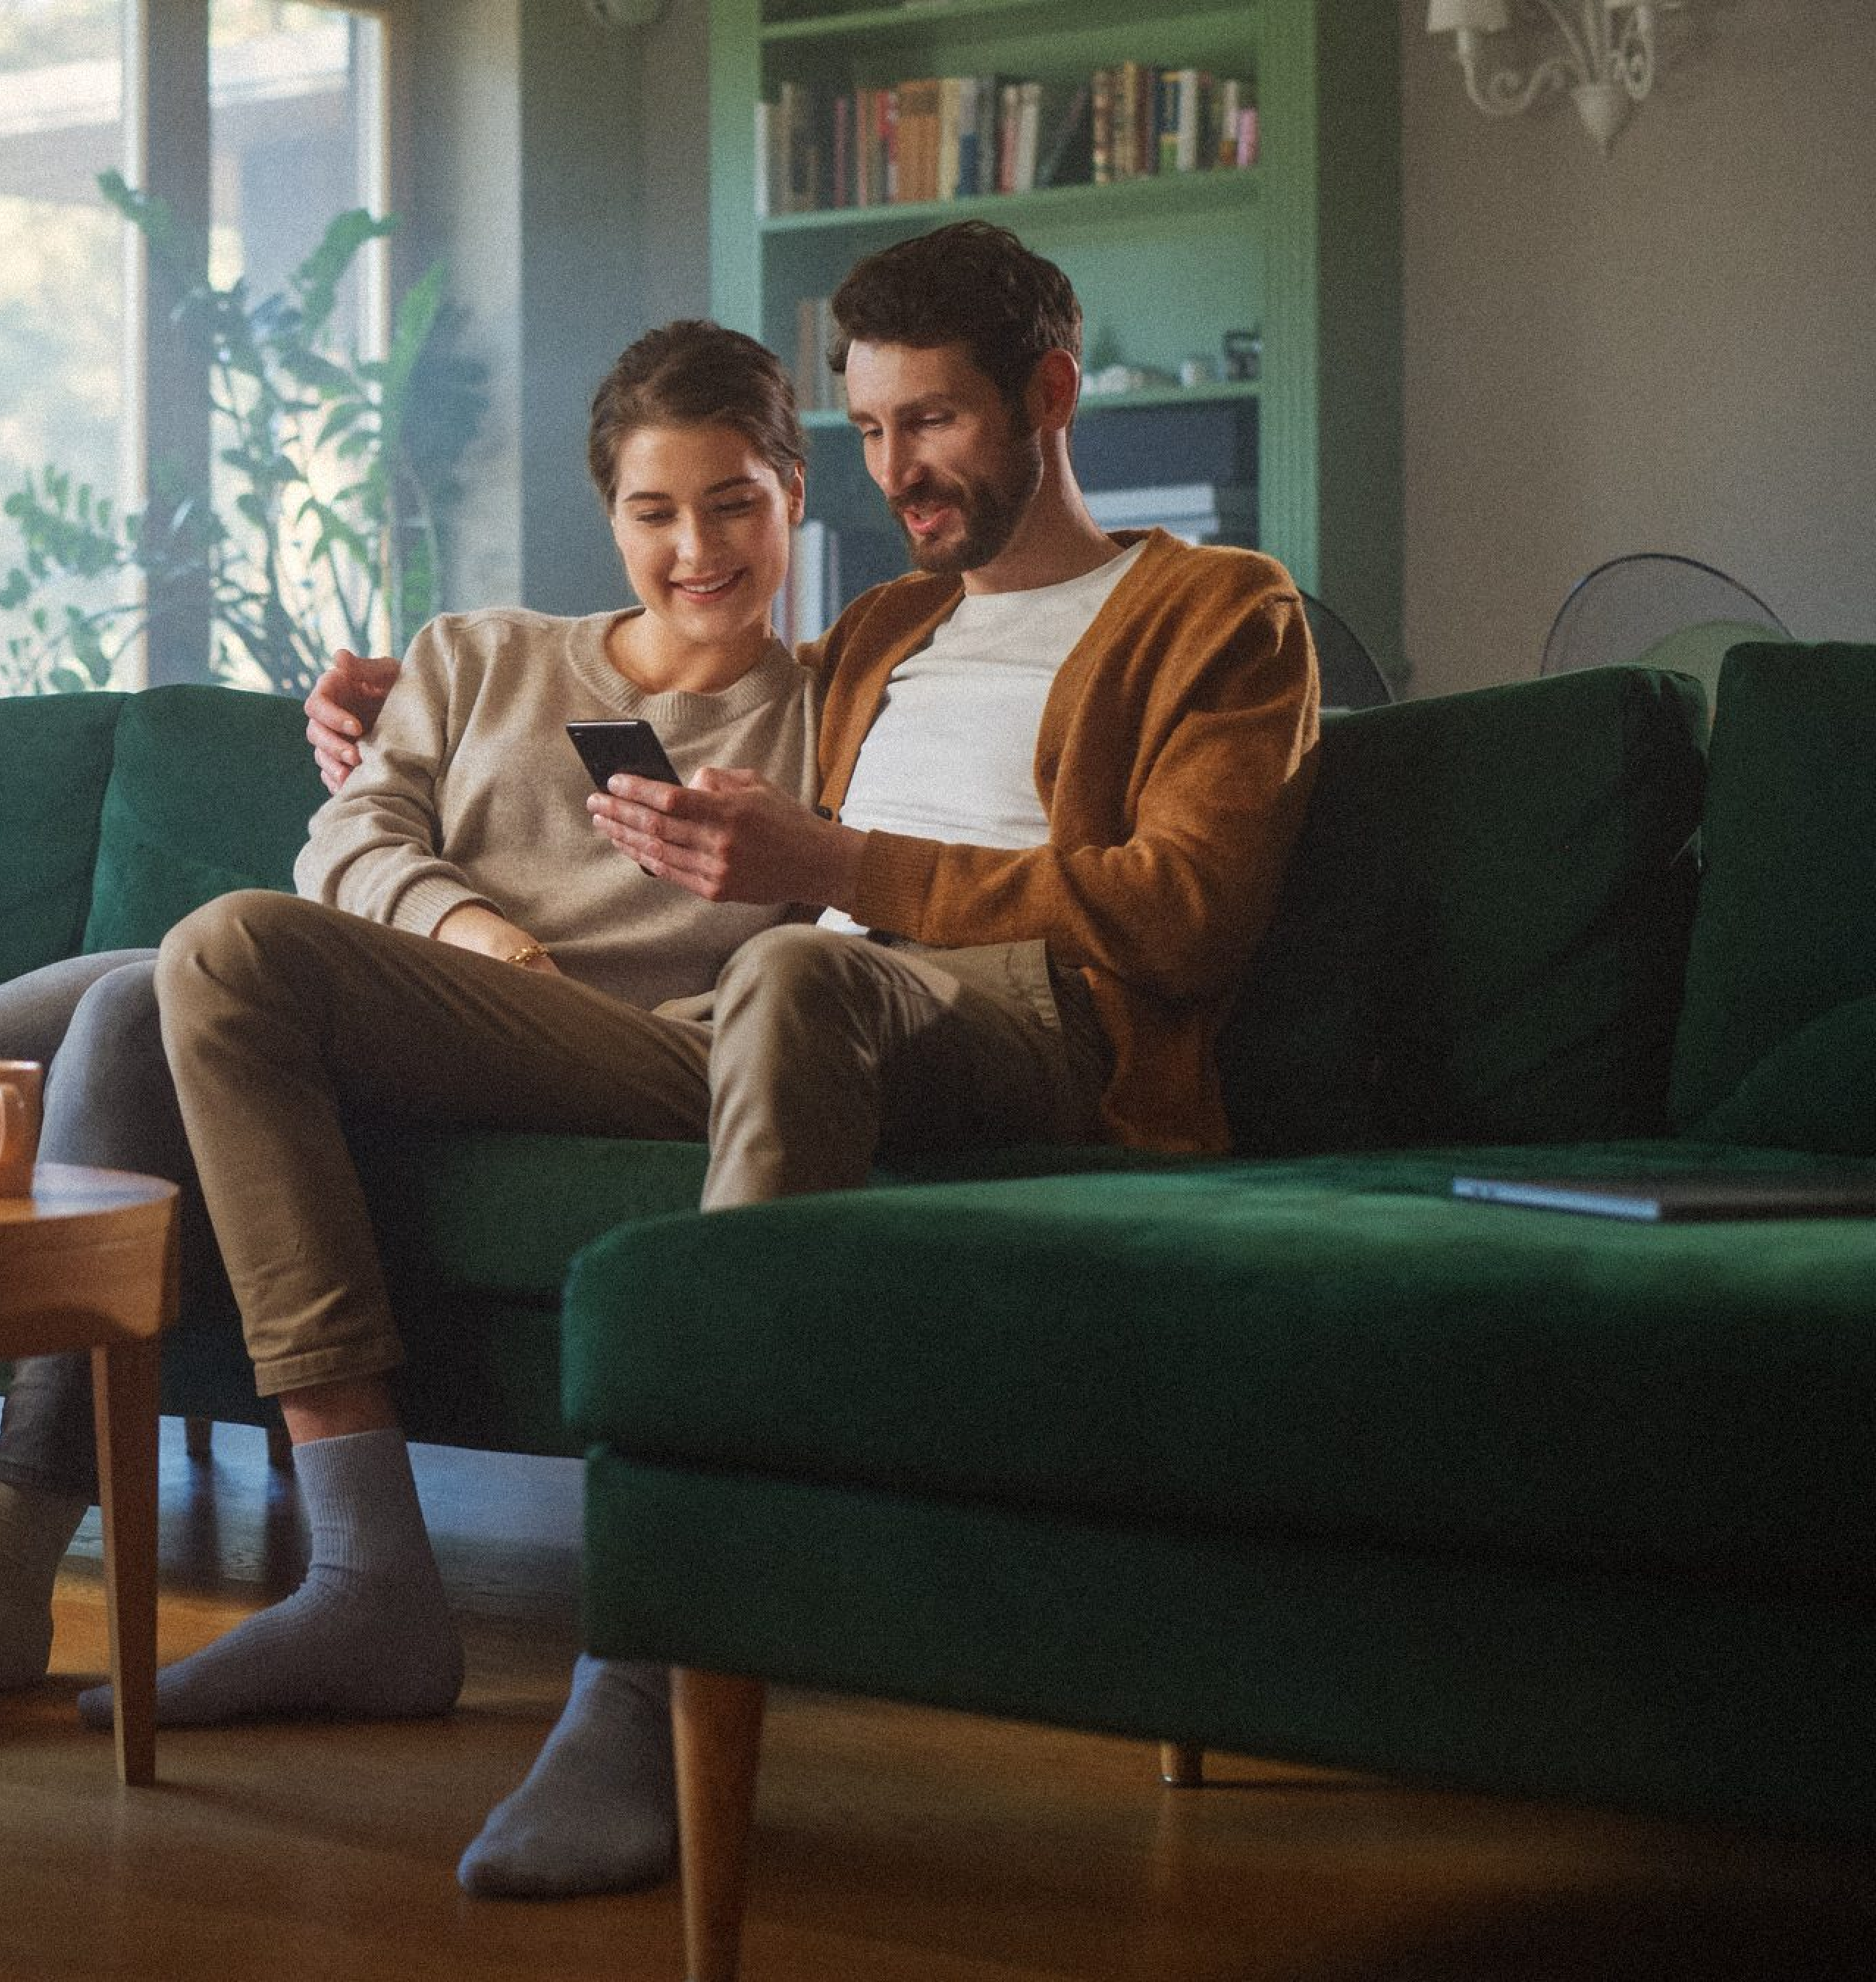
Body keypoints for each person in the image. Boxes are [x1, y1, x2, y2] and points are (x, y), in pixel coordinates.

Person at [149, 218, 1321, 1900]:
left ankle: (647, 1664)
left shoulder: (1216, 608)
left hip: (1027, 1028)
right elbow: (684, 677)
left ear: (1052, 394)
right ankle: (365, 1577)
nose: (898, 466)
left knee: (791, 973)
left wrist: (841, 875)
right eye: (873, 426)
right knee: (233, 951)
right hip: (769, 1022)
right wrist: (396, 697)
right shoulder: (881, 637)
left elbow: (1189, 911)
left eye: (938, 421)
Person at [0, 318, 827, 1746]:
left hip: (584, 1044)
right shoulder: (481, 655)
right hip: (386, 974)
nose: (698, 548)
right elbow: (349, 844)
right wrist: (480, 935)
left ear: (795, 488)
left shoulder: (826, 716)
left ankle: (3, 1574)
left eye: (735, 500)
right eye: (654, 510)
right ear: (606, 511)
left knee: (138, 1007)